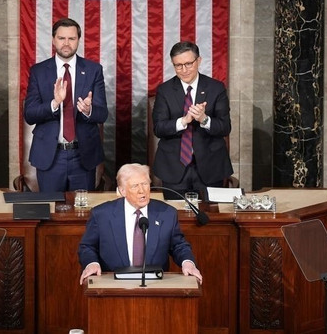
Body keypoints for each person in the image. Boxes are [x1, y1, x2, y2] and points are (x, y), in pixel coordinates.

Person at [78, 163, 202, 285]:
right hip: (113, 284)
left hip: (155, 286)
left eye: (145, 184)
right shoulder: (102, 215)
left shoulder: (167, 213)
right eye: (135, 186)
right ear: (122, 191)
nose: (141, 191)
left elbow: (179, 246)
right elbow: (87, 246)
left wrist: (188, 263)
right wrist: (91, 263)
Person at [24, 17, 108, 192]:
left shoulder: (93, 70)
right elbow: (30, 114)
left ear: (78, 40)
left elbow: (103, 114)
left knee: (83, 212)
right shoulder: (38, 71)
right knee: (51, 211)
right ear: (54, 39)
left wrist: (88, 110)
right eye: (62, 38)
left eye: (72, 38)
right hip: (50, 156)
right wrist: (54, 103)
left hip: (82, 156)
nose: (66, 43)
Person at [152, 41, 232, 200]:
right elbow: (159, 128)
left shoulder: (216, 88)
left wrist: (204, 119)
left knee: (211, 219)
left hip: (210, 166)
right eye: (178, 65)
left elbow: (225, 127)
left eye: (188, 64)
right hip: (174, 167)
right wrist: (184, 120)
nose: (184, 70)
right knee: (174, 218)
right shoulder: (165, 90)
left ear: (199, 61)